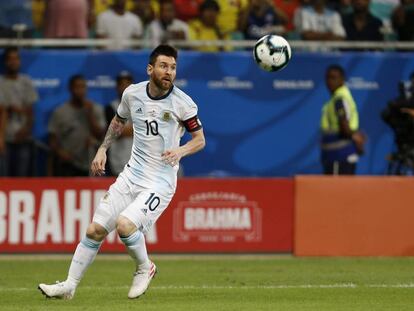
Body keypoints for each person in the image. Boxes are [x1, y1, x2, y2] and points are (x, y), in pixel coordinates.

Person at [38, 45, 206, 300]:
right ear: (150, 69)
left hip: (160, 181)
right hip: (131, 175)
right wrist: (102, 149)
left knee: (125, 226)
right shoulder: (132, 94)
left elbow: (200, 140)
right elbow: (118, 122)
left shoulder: (183, 103)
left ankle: (144, 267)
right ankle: (69, 285)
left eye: (172, 67)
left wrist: (181, 152)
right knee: (95, 230)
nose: (168, 72)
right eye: (163, 66)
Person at [48, 75, 106, 177]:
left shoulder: (95, 109)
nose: (80, 91)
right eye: (77, 87)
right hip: (68, 164)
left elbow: (101, 135)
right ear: (70, 89)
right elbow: (53, 139)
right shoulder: (60, 112)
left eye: (83, 87)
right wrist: (60, 152)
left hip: (90, 163)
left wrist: (89, 114)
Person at [0, 47, 38, 176]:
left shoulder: (26, 82)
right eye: (10, 59)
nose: (13, 62)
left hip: (23, 140)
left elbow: (31, 112)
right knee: (4, 181)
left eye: (16, 58)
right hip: (4, 140)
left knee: (21, 180)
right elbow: (3, 110)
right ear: (5, 62)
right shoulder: (1, 82)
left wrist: (26, 130)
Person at [320, 65, 365, 175]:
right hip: (335, 156)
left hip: (340, 156)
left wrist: (355, 137)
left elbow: (344, 124)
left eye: (333, 78)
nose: (329, 81)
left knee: (337, 191)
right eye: (328, 78)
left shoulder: (340, 98)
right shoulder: (336, 98)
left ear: (342, 80)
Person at [104, 71, 134, 176]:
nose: (125, 88)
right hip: (117, 161)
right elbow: (117, 132)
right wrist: (140, 129)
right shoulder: (111, 108)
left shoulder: (142, 107)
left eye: (128, 84)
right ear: (117, 87)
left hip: (138, 163)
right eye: (122, 84)